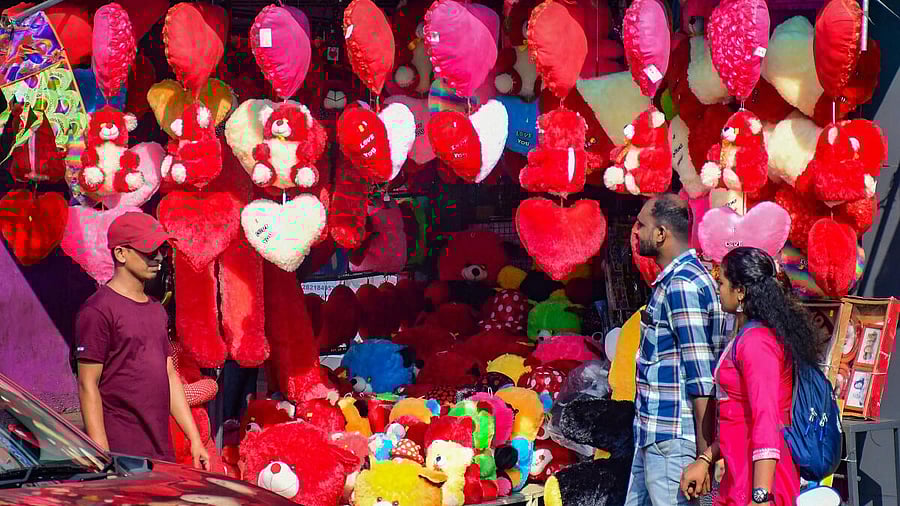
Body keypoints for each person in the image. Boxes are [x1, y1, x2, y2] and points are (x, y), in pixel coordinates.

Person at [680, 247, 823, 505]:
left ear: (741, 291)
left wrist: (761, 496)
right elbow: (739, 417)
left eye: (721, 282)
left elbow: (766, 418)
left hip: (759, 481)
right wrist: (706, 458)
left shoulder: (757, 342)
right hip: (740, 475)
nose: (718, 289)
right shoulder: (748, 336)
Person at [75, 212, 210, 469]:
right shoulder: (98, 310)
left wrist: (194, 438)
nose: (158, 257)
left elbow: (169, 373)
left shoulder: (156, 309)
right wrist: (102, 455)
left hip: (161, 450)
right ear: (121, 254)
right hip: (121, 453)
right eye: (149, 251)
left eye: (161, 250)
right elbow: (87, 384)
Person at [625, 194, 728, 506]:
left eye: (642, 225)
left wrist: (702, 457)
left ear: (661, 234)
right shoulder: (675, 281)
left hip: (674, 440)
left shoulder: (682, 284)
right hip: (656, 436)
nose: (635, 232)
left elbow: (702, 377)